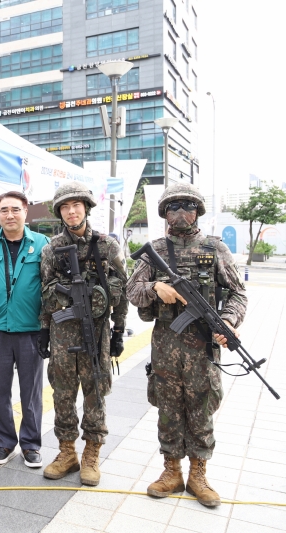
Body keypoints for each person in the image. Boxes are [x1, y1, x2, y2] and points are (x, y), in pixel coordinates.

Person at [127, 183, 247, 508]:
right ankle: (171, 471)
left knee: (201, 408)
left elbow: (238, 293)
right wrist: (156, 287)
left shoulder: (215, 248)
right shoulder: (155, 250)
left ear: (198, 211)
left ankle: (198, 474)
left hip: (203, 346)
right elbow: (132, 290)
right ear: (164, 213)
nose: (181, 212)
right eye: (174, 206)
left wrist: (229, 321)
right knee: (168, 409)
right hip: (166, 345)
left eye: (188, 206)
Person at [39, 182, 128, 486]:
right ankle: (67, 452)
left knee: (95, 393)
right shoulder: (51, 249)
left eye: (76, 205)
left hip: (97, 331)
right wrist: (44, 330)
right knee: (63, 393)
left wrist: (119, 330)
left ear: (86, 208)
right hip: (62, 333)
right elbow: (44, 291)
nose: (71, 212)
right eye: (65, 207)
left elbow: (122, 289)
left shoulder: (107, 246)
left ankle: (91, 454)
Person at [0, 191, 49, 467]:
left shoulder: (42, 244)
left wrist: (48, 326)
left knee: (31, 392)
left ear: (25, 211)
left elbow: (49, 288)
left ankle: (31, 445)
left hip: (31, 330)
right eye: (4, 210)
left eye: (15, 209)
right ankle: (4, 443)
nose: (9, 215)